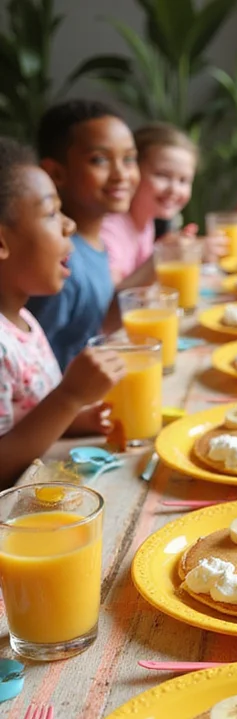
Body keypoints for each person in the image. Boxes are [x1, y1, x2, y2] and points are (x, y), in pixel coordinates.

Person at [0, 137, 125, 489]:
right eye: (52, 213)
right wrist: (69, 397)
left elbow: (27, 416)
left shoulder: (23, 320)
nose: (69, 225)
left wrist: (76, 416)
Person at [27, 99, 140, 369]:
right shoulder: (62, 263)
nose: (121, 174)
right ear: (56, 173)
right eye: (99, 160)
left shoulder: (94, 241)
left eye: (129, 159)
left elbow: (94, 326)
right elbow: (31, 364)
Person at [100, 122, 225, 286]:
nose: (174, 189)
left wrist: (184, 252)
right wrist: (164, 255)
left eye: (183, 180)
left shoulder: (147, 222)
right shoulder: (109, 228)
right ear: (132, 172)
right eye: (162, 175)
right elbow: (111, 299)